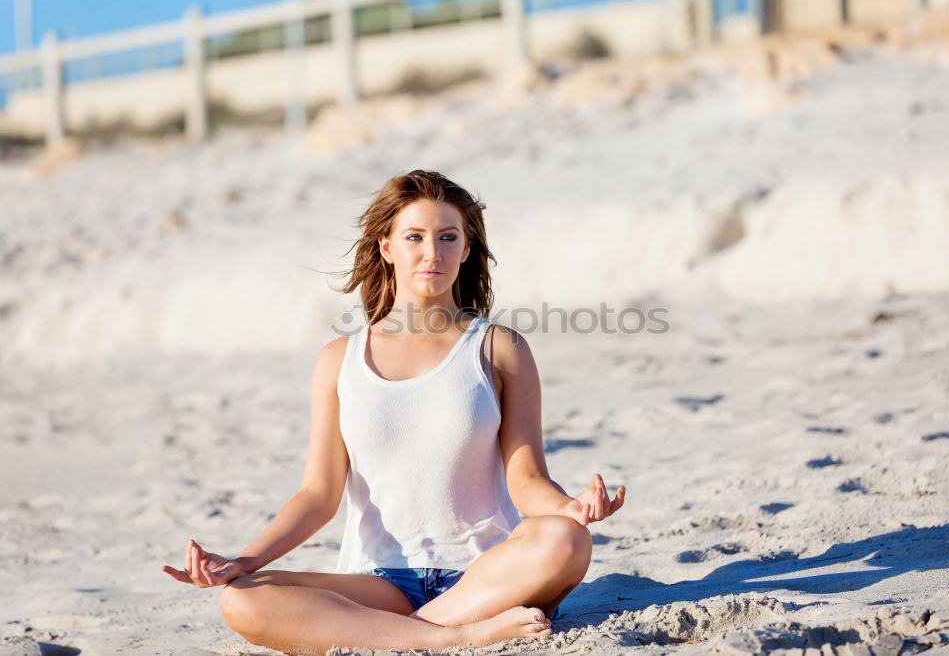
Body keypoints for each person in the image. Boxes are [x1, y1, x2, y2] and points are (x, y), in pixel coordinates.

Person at [161, 170, 626, 655]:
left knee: (566, 540)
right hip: (379, 583)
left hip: (488, 577)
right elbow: (319, 494)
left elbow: (526, 478)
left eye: (449, 237)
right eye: (415, 237)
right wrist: (243, 561)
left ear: (466, 250)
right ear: (386, 247)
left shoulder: (498, 348)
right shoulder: (339, 360)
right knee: (242, 601)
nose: (433, 253)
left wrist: (567, 508)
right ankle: (458, 636)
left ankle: (403, 638)